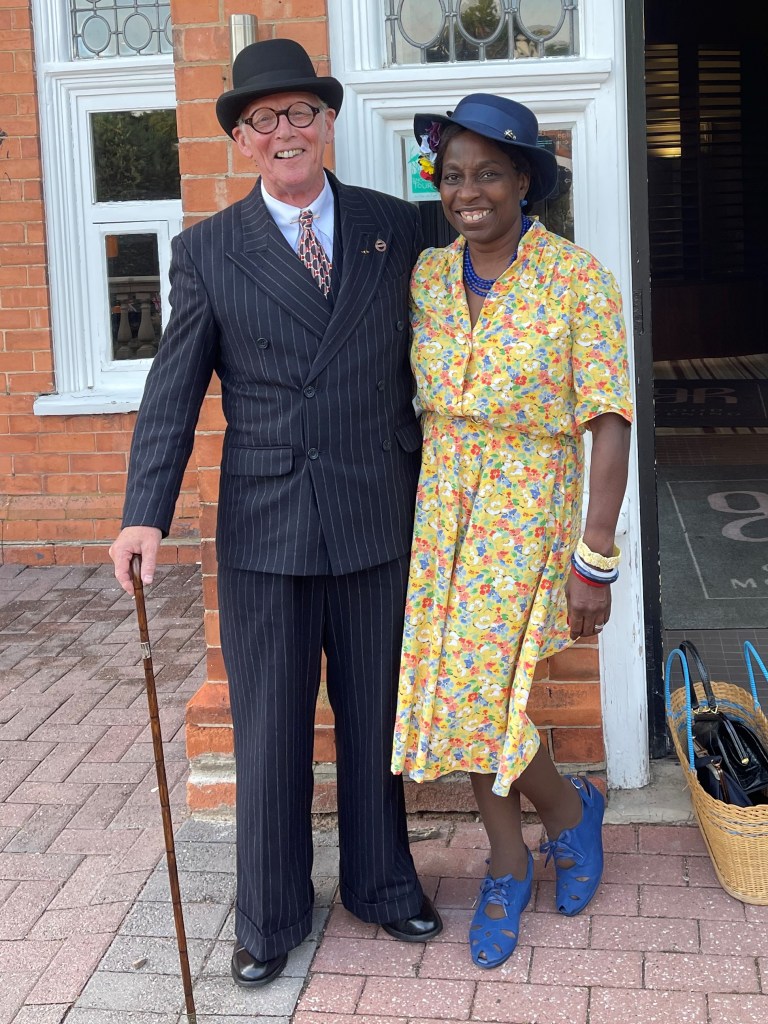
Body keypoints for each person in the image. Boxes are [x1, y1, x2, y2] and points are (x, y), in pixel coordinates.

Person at [109, 38, 442, 989]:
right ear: (242, 140)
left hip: (377, 511)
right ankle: (269, 912)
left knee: (375, 718)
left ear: (327, 122)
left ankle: (382, 884)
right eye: (264, 118)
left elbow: (465, 309)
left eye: (300, 112)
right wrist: (144, 513)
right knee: (270, 730)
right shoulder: (208, 251)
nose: (285, 131)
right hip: (267, 525)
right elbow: (173, 391)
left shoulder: (397, 226)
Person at [391, 94, 633, 969]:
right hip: (442, 510)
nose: (469, 192)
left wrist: (594, 558)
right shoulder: (425, 277)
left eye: (489, 173)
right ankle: (555, 823)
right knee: (465, 696)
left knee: (477, 695)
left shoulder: (576, 278)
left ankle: (530, 844)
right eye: (454, 175)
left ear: (525, 181)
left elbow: (609, 418)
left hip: (528, 508)